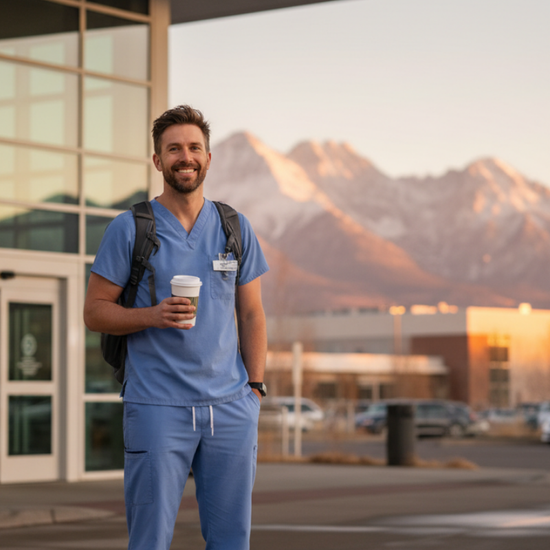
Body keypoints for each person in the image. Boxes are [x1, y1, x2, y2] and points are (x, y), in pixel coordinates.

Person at [84, 105, 269, 550]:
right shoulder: (130, 229)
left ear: (208, 158)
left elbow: (252, 314)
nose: (185, 157)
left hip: (229, 409)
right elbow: (94, 312)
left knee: (231, 541)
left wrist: (255, 388)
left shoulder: (234, 227)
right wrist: (152, 314)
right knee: (149, 540)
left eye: (193, 147)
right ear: (157, 161)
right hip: (156, 407)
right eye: (174, 149)